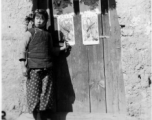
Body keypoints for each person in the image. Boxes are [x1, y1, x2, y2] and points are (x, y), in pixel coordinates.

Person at [19, 9, 68, 120]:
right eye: (37, 18)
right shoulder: (29, 33)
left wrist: (62, 48)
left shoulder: (48, 35)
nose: (39, 21)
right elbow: (22, 50)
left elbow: (51, 50)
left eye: (42, 19)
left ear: (46, 21)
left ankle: (43, 116)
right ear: (33, 20)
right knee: (33, 95)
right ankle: (37, 117)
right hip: (33, 69)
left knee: (46, 94)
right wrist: (23, 67)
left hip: (47, 68)